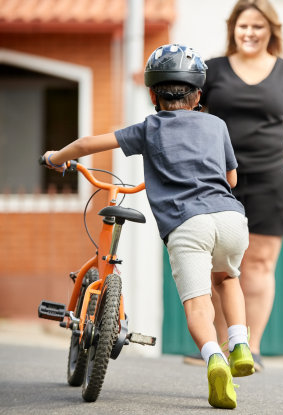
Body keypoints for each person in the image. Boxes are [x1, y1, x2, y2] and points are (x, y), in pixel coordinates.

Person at [42, 43, 254, 410]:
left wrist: (55, 158)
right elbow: (231, 178)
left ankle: (213, 359)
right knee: (228, 278)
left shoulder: (150, 128)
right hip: (232, 219)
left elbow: (87, 143)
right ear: (198, 94)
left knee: (198, 305)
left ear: (153, 94)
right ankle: (239, 344)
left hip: (189, 225)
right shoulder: (217, 125)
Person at [189, 0, 283, 371]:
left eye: (258, 26)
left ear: (270, 31)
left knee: (259, 264)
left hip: (270, 180)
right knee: (219, 266)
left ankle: (250, 349)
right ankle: (218, 348)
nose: (250, 32)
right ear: (234, 29)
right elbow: (192, 117)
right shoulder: (213, 69)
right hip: (218, 179)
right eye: (244, 26)